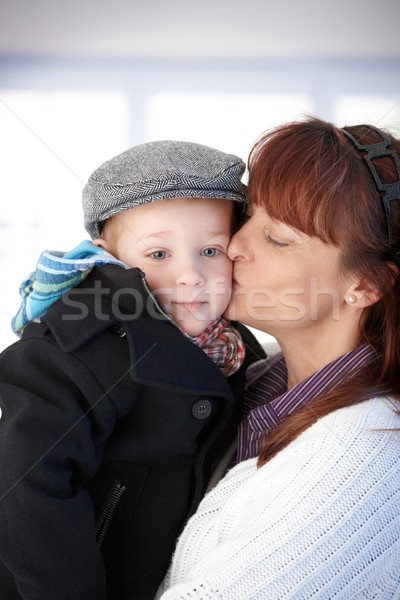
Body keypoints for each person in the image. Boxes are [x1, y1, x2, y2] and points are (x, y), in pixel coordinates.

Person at [0, 140, 266, 600]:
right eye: (158, 255)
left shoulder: (238, 346)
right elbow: (26, 487)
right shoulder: (74, 350)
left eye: (210, 251)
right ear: (109, 259)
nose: (190, 275)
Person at [158, 118, 400, 599]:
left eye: (279, 239)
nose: (234, 245)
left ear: (366, 285)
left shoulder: (368, 452)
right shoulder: (249, 376)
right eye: (251, 217)